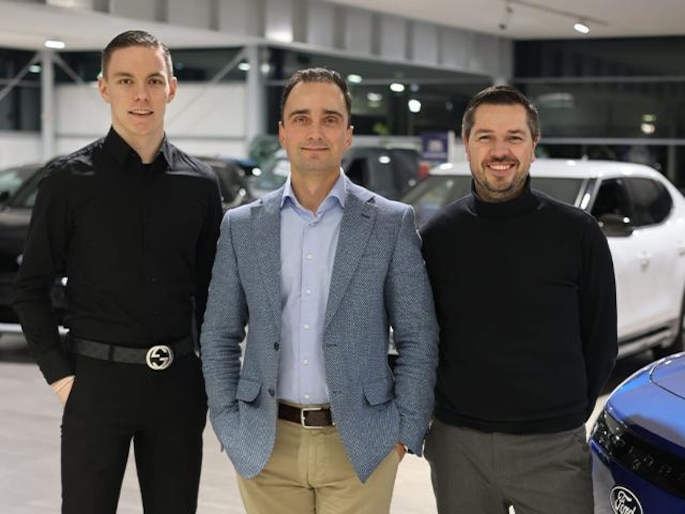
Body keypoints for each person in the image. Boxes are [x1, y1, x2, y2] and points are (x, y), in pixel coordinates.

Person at [200, 67, 439, 514]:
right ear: (283, 133)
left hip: (362, 445)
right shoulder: (242, 226)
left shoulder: (390, 223)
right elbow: (218, 335)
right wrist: (229, 422)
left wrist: (403, 433)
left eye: (329, 119)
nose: (315, 132)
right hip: (265, 444)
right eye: (301, 118)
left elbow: (417, 337)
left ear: (348, 134)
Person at [12, 30, 223, 513]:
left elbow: (212, 294)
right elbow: (30, 288)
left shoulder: (200, 185)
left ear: (171, 88)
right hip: (94, 386)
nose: (141, 94)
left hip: (177, 389)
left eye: (153, 80)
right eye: (126, 80)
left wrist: (206, 379)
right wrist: (62, 378)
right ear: (104, 88)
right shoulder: (68, 181)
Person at [420, 85, 617, 513]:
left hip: (553, 448)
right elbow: (420, 339)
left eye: (514, 137)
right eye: (485, 137)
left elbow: (601, 340)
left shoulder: (578, 233)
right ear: (467, 145)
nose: (500, 151)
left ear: (533, 146)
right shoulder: (437, 237)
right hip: (458, 447)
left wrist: (562, 415)